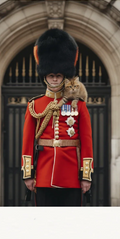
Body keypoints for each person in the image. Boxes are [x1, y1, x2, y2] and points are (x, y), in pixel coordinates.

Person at [21, 28, 93, 206]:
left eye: (58, 75)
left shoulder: (79, 105)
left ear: (64, 76)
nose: (54, 79)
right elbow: (28, 142)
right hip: (44, 175)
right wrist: (28, 174)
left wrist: (86, 176)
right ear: (45, 76)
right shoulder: (34, 105)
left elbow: (86, 141)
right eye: (51, 75)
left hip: (71, 175)